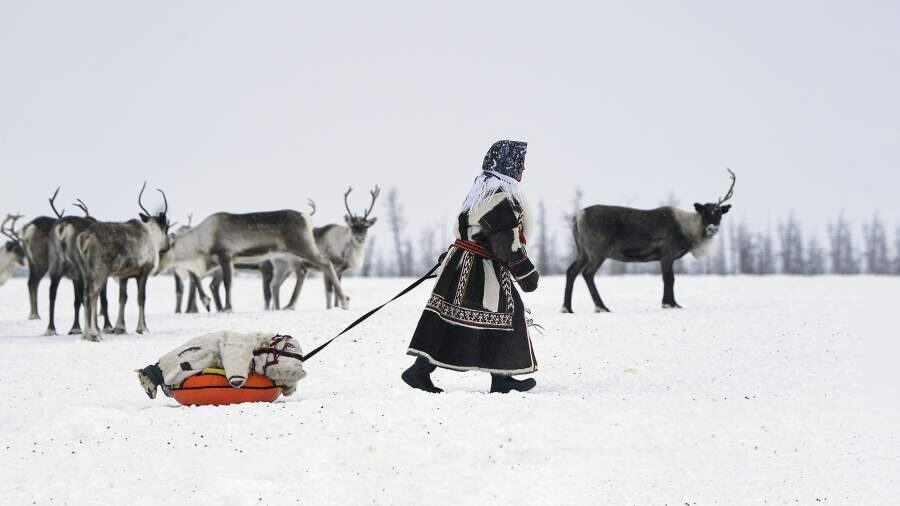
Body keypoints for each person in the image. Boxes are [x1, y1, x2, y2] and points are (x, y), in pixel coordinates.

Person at [403, 140, 540, 394]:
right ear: (509, 167)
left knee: (450, 319)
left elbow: (467, 230)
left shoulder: (480, 193)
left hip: (462, 265)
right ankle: (501, 379)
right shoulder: (499, 196)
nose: (523, 171)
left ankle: (421, 370)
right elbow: (506, 242)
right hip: (480, 270)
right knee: (507, 314)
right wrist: (526, 274)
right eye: (520, 165)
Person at [136, 330, 307, 399]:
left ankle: (159, 377)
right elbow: (236, 352)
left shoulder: (274, 355)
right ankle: (154, 375)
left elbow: (288, 370)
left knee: (185, 363)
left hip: (214, 348)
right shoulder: (247, 344)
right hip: (212, 348)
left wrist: (287, 386)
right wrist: (237, 375)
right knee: (186, 361)